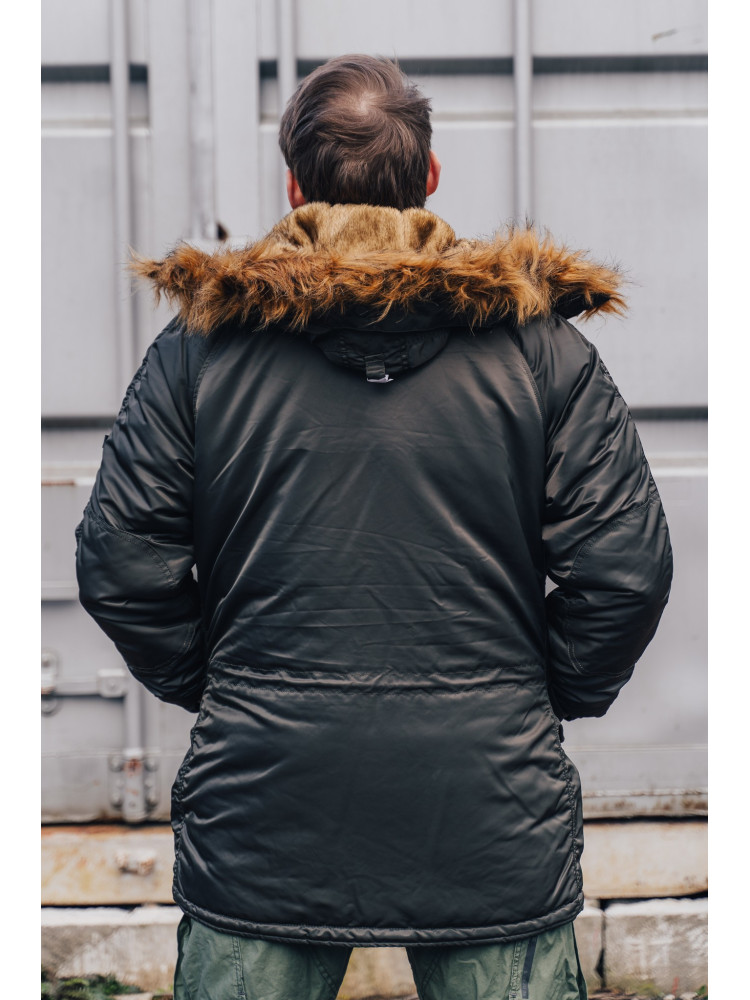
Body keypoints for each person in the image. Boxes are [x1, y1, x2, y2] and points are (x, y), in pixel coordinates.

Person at [76, 54, 673, 1000]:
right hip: (489, 805)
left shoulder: (200, 354)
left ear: (293, 185)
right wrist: (533, 696)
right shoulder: (543, 354)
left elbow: (121, 563)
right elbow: (625, 572)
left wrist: (226, 686)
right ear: (429, 175)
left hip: (265, 806)